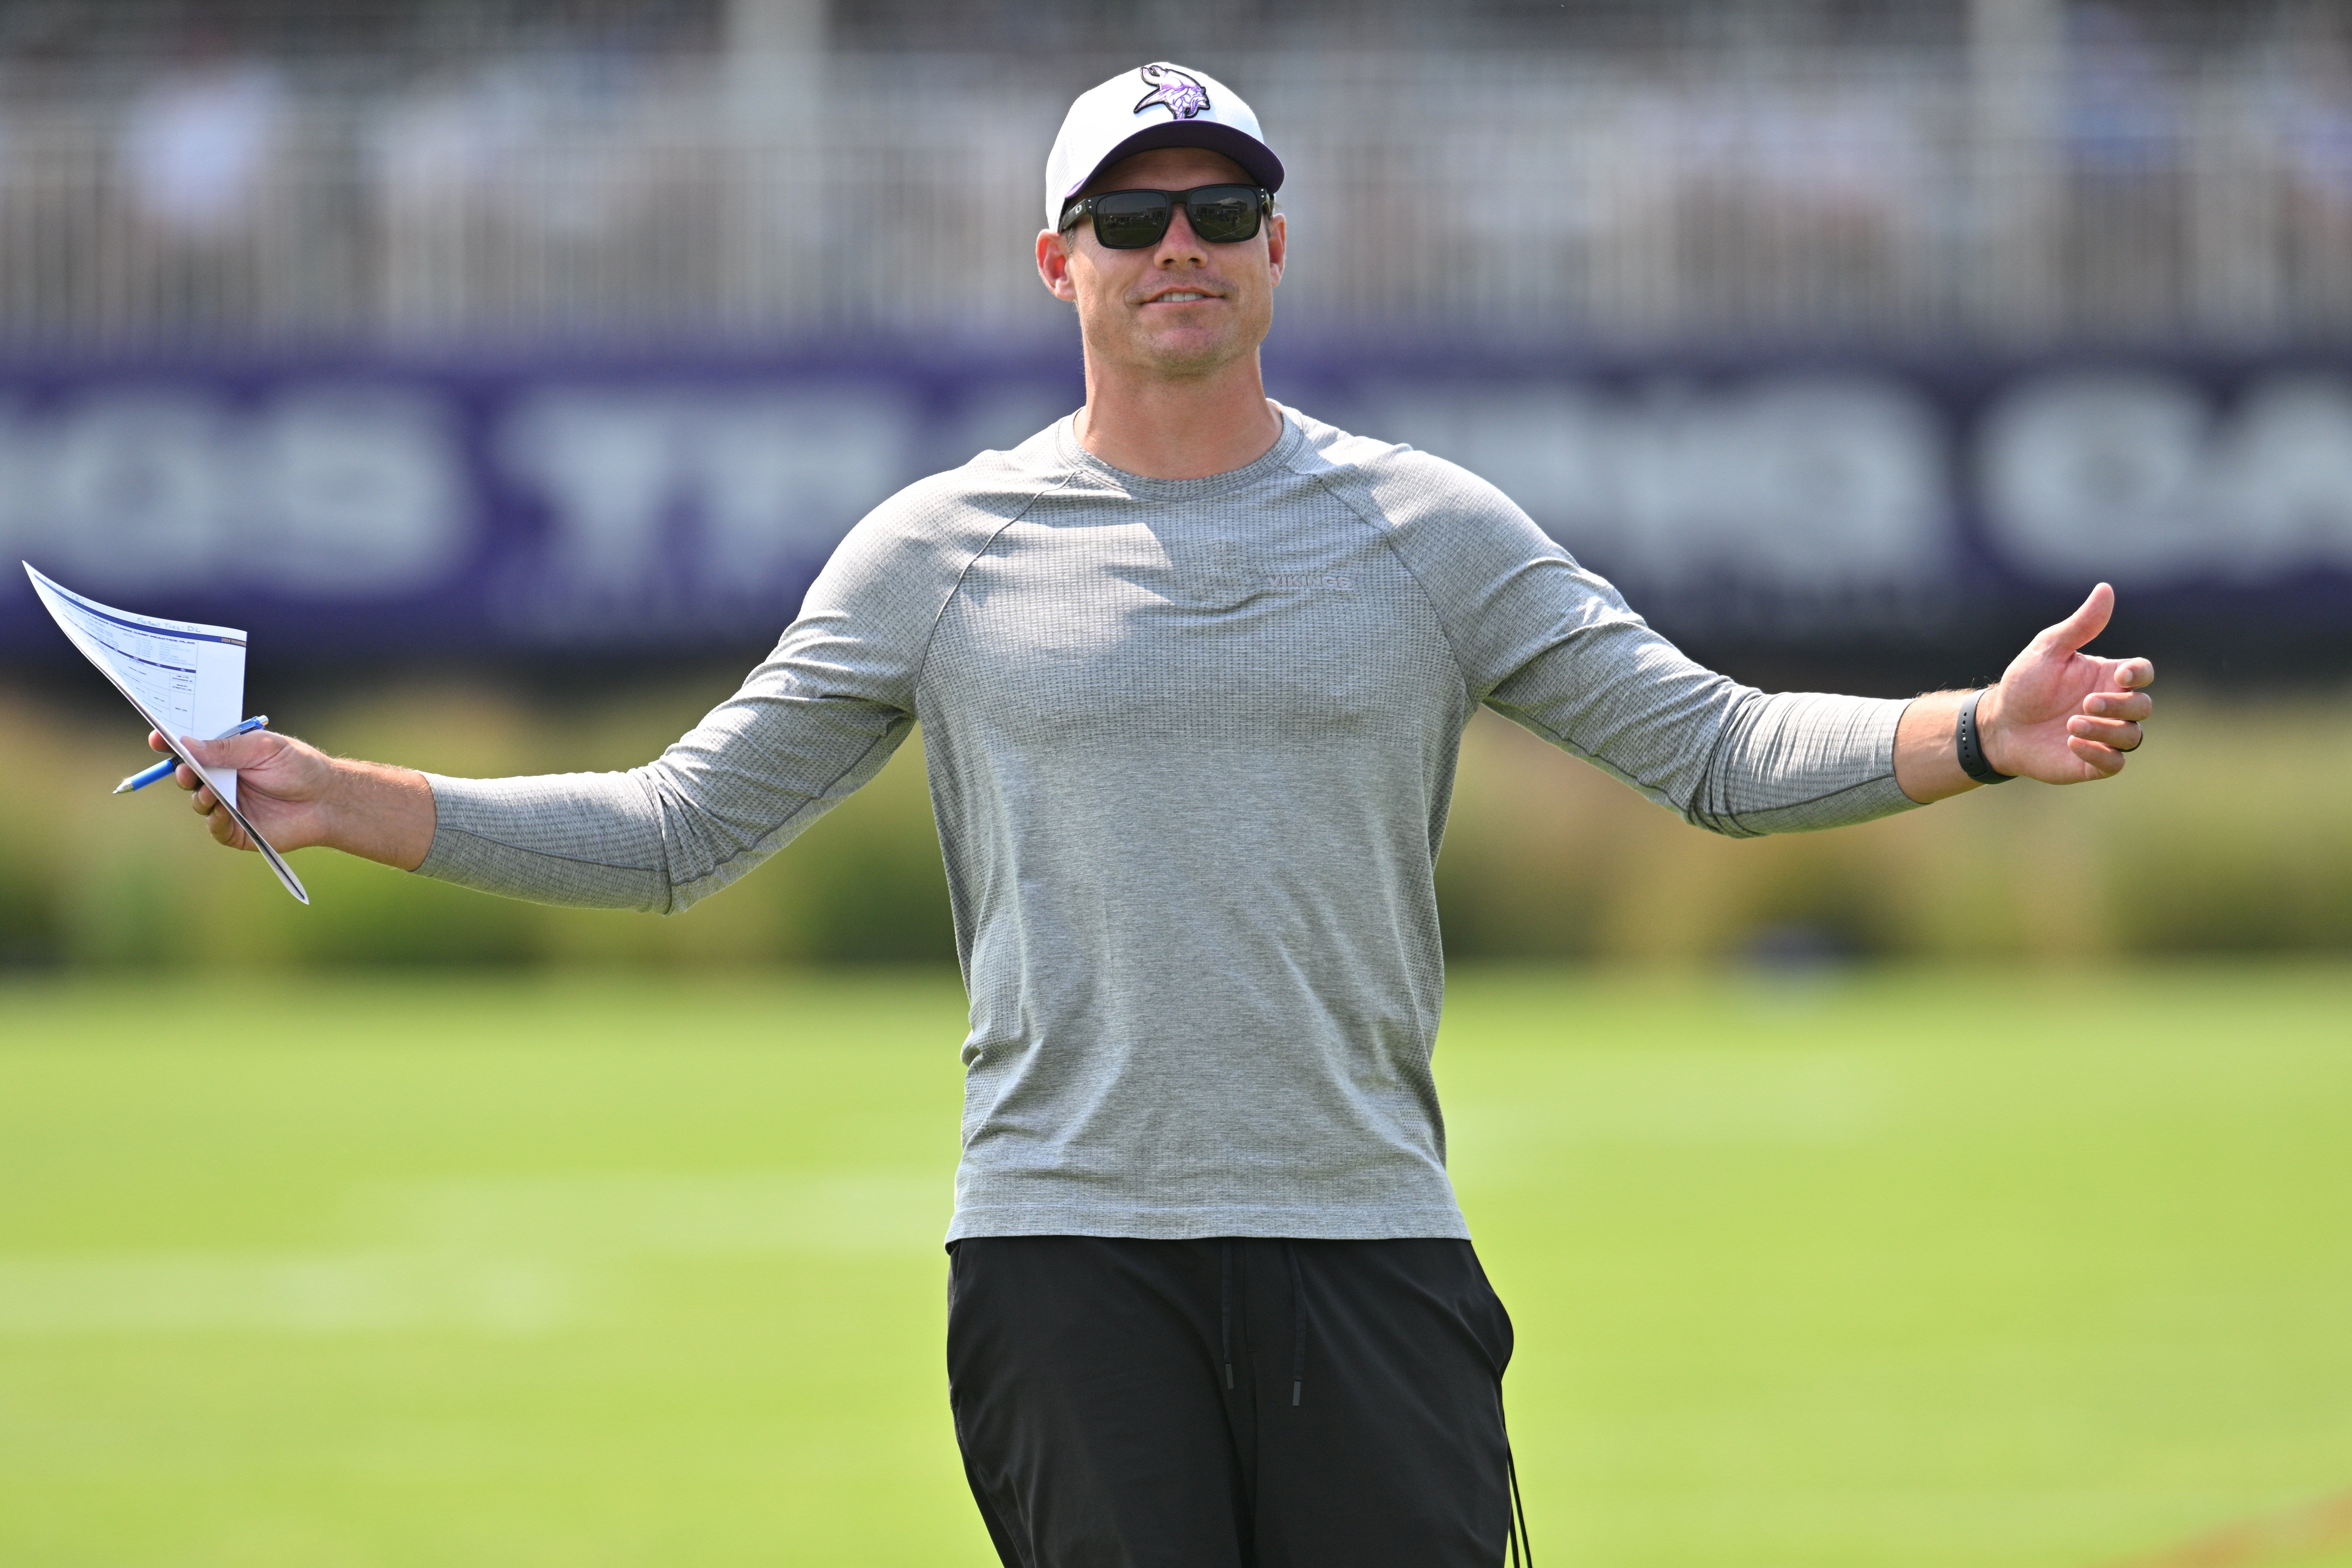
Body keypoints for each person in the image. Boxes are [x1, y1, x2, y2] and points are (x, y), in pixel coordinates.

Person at [159, 62, 2154, 1568]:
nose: (1176, 243)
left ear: (1281, 247)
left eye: (1221, 205)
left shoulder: (1431, 531)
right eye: (1129, 218)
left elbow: (1708, 751)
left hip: (1367, 1238)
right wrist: (343, 796)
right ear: (1059, 264)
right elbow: (681, 828)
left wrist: (1976, 724)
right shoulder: (937, 548)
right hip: (1064, 1255)